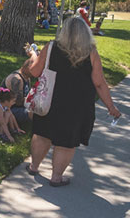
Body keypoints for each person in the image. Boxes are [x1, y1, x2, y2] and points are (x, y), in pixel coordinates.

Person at [26, 17, 121, 187]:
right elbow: (99, 83)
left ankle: (34, 166)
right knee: (67, 141)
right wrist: (111, 107)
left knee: (42, 134)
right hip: (78, 104)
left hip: (50, 100)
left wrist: (33, 55)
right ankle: (56, 177)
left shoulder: (51, 46)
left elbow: (34, 72)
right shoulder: (91, 52)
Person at [0, 59, 34, 125]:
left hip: (19, 106)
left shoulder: (27, 77)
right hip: (8, 110)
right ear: (28, 68)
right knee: (35, 114)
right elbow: (18, 102)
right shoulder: (17, 79)